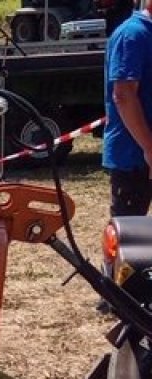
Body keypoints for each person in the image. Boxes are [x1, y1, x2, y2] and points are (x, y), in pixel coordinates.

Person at [104, 1, 152, 219]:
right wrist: (149, 148)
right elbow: (123, 95)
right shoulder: (133, 34)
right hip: (133, 157)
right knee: (130, 241)